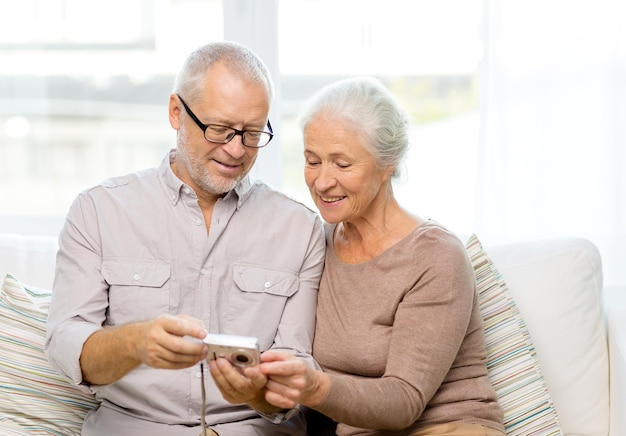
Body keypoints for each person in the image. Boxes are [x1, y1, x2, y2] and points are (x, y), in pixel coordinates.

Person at [44, 41, 326, 436]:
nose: (235, 150)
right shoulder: (99, 211)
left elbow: (296, 368)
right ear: (177, 112)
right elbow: (66, 341)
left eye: (252, 133)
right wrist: (135, 344)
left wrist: (257, 393)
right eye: (220, 129)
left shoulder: (302, 229)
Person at [257, 77, 506, 436]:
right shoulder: (314, 245)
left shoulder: (435, 256)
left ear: (387, 164)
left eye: (342, 165)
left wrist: (314, 387)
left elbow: (404, 401)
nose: (322, 181)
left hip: (447, 428)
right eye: (313, 161)